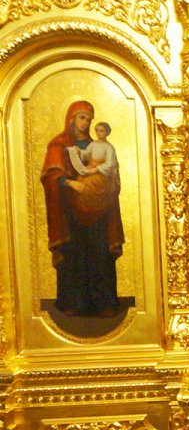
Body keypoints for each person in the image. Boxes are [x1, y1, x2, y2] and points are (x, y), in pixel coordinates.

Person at [40, 101, 124, 318]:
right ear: (71, 119)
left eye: (89, 119)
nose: (85, 123)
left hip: (99, 207)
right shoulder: (59, 145)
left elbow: (111, 169)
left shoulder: (97, 145)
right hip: (69, 210)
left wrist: (106, 184)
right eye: (82, 117)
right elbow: (51, 176)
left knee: (99, 252)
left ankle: (103, 302)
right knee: (74, 253)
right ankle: (73, 302)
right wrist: (70, 183)